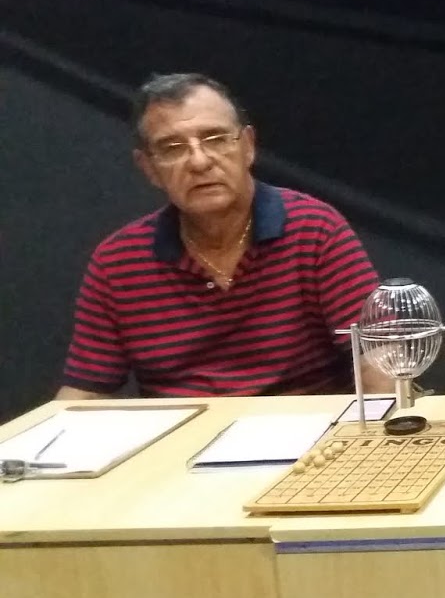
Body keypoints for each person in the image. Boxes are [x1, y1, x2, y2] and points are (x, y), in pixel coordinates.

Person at [58, 73, 384, 399]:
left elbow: (379, 356)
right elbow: (84, 393)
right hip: (182, 430)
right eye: (172, 148)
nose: (199, 162)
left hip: (307, 426)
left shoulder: (315, 230)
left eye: (215, 139)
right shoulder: (117, 263)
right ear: (149, 168)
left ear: (248, 147)